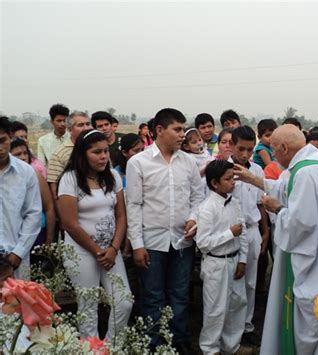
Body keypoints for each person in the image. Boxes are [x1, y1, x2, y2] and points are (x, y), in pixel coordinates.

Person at [234, 124, 318, 354]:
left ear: (283, 147)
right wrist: (251, 178)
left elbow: (301, 224)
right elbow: (284, 187)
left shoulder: (305, 173)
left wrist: (278, 209)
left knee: (308, 318)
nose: (273, 156)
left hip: (313, 261)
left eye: (273, 150)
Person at [126, 108, 204, 354]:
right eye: (177, 129)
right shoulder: (138, 162)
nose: (183, 134)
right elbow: (134, 205)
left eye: (183, 129)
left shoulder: (189, 162)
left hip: (182, 241)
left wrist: (194, 218)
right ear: (159, 130)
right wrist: (137, 244)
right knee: (153, 298)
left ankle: (179, 344)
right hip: (151, 242)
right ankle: (154, 346)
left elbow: (197, 197)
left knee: (179, 296)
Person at [58, 129, 132, 339]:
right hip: (81, 252)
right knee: (88, 307)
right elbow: (69, 224)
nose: (103, 157)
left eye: (106, 151)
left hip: (111, 251)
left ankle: (111, 347)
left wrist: (113, 249)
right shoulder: (70, 179)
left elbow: (121, 216)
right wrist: (99, 252)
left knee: (124, 302)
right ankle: (90, 349)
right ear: (82, 154)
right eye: (96, 152)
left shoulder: (113, 176)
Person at [196, 160, 248, 355]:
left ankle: (231, 345)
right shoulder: (208, 208)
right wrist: (229, 234)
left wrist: (242, 258)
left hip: (234, 259)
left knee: (237, 303)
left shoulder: (234, 202)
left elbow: (242, 231)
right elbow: (202, 243)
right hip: (216, 263)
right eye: (228, 179)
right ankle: (210, 348)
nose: (233, 182)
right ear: (214, 183)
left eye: (233, 178)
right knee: (215, 309)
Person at [229, 126, 269, 346]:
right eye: (241, 149)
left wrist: (265, 231)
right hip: (231, 233)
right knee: (232, 281)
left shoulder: (257, 171)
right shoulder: (223, 169)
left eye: (249, 150)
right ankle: (230, 326)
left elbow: (260, 203)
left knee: (250, 283)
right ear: (232, 145)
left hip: (252, 229)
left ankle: (247, 325)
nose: (245, 155)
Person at [0, 117, 42, 279]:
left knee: (18, 302)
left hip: (17, 256)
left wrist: (18, 253)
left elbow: (33, 214)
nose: (0, 147)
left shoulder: (26, 172)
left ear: (10, 137)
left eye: (2, 140)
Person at [10, 138, 55, 246]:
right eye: (18, 154)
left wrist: (48, 241)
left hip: (36, 234)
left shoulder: (35, 175)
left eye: (25, 153)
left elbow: (49, 209)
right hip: (11, 235)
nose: (23, 157)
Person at [47, 111, 92, 214]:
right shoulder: (59, 154)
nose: (86, 128)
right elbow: (55, 191)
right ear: (70, 129)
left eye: (88, 124)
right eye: (80, 125)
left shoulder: (100, 148)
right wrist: (63, 219)